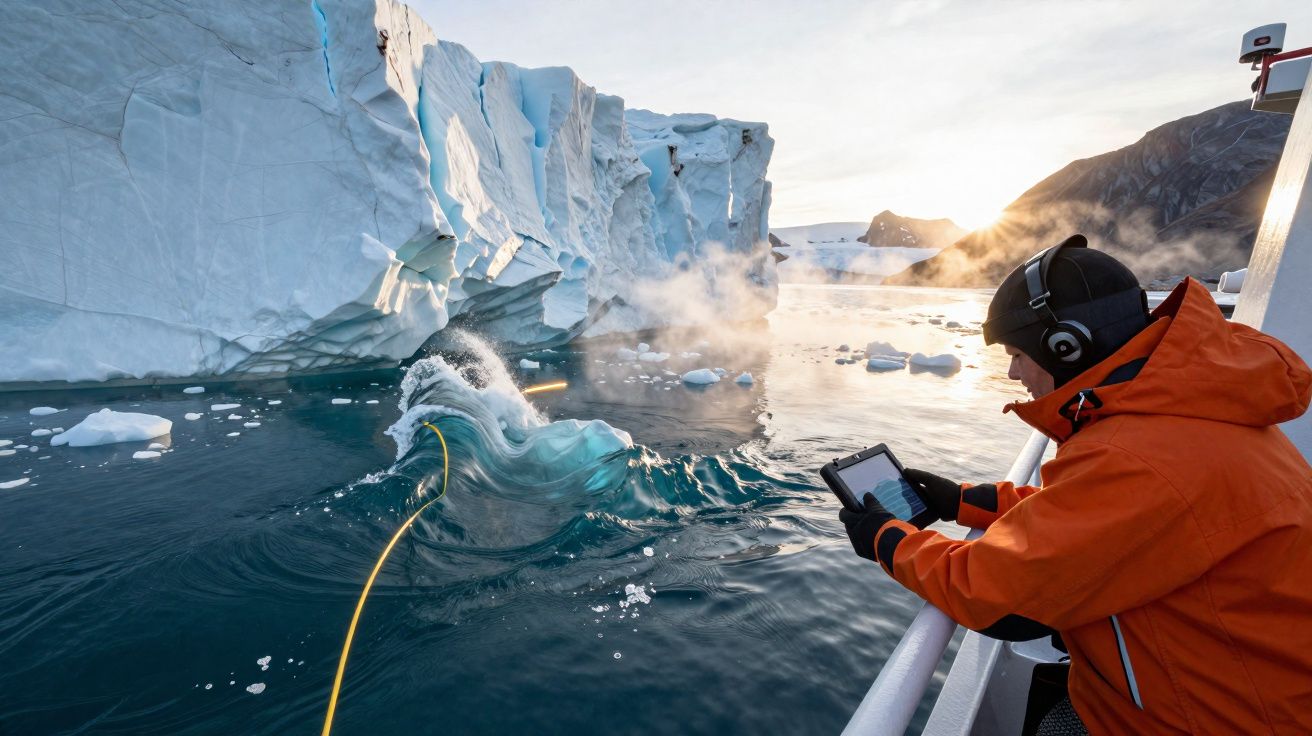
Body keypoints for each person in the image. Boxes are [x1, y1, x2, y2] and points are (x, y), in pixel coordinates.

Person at [839, 235, 1312, 735]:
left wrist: (885, 538)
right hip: (1223, 695)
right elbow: (1093, 518)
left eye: (1018, 355)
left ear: (1066, 346)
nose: (1013, 373)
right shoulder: (1180, 418)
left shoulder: (1135, 453)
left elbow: (999, 600)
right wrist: (962, 501)